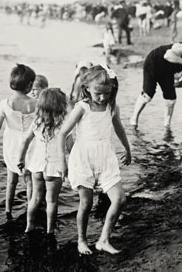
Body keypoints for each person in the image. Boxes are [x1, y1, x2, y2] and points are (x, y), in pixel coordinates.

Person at [58, 65, 132, 255]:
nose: (102, 97)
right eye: (98, 93)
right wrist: (62, 162)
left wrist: (127, 148)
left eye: (107, 93)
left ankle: (103, 239)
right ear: (87, 88)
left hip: (105, 156)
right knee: (86, 203)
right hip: (83, 157)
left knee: (120, 199)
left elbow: (119, 129)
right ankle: (81, 240)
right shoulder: (82, 107)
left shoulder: (112, 106)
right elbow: (63, 134)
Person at [0, 64, 37, 220]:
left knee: (11, 180)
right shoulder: (35, 103)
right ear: (29, 85)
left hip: (12, 144)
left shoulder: (5, 104)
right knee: (29, 180)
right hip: (30, 144)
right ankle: (31, 209)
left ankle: (8, 210)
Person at [17, 88, 67, 235]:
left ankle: (29, 226)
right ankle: (50, 230)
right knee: (51, 201)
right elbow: (71, 147)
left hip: (37, 166)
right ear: (61, 105)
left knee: (35, 198)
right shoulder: (63, 125)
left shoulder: (37, 122)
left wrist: (20, 159)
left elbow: (25, 141)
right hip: (55, 168)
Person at [129, 42, 182, 132]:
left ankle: (167, 126)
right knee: (148, 95)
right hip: (153, 62)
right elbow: (168, 56)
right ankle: (134, 119)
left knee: (171, 99)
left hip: (167, 72)